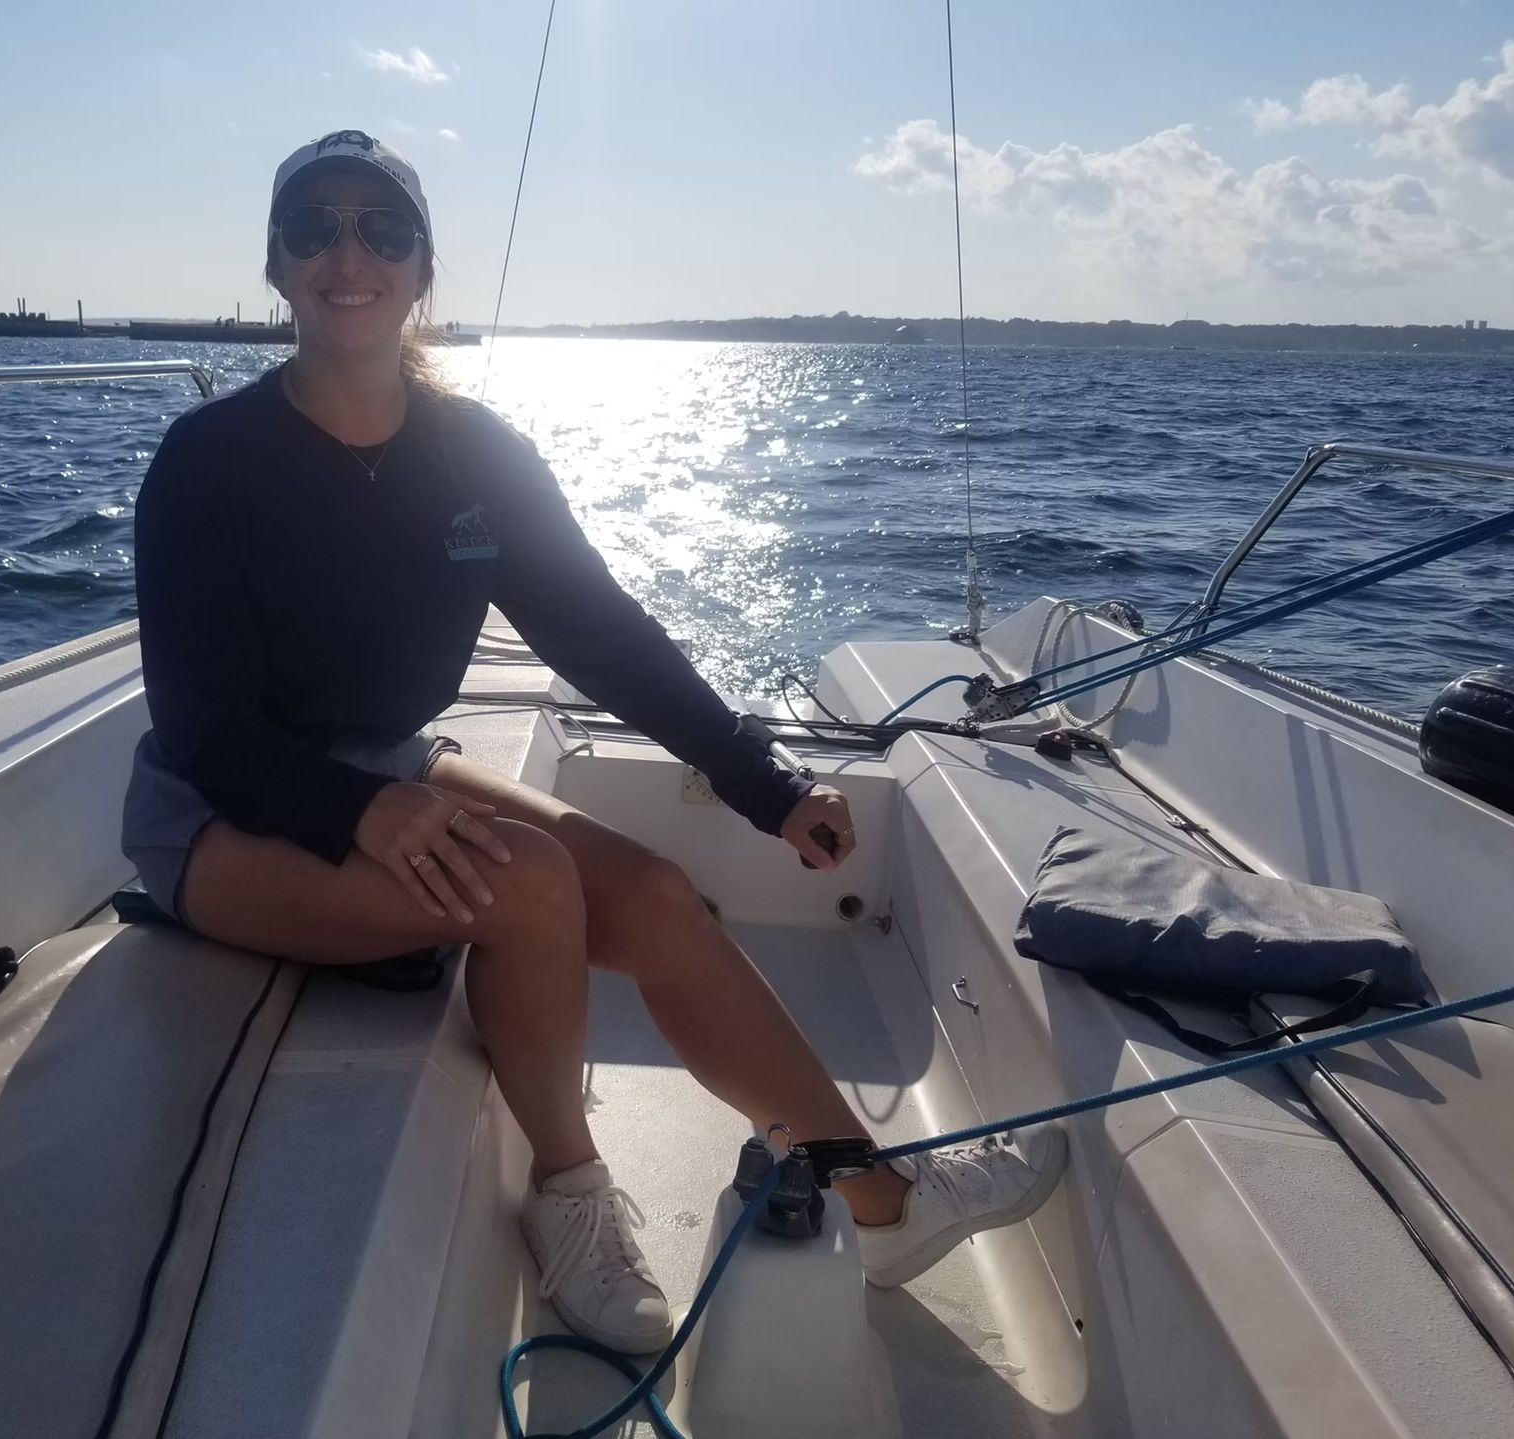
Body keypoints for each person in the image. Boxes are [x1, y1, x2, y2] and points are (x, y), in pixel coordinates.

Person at [121, 129, 1066, 1356]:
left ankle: (880, 1200)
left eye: (382, 229)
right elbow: (198, 725)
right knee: (531, 889)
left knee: (661, 896)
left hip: (383, 770)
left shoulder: (477, 455)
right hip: (216, 814)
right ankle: (568, 1195)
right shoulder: (210, 460)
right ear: (275, 262)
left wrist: (762, 782)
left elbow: (600, 632)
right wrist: (360, 812)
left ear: (420, 268)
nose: (346, 253)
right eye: (315, 226)